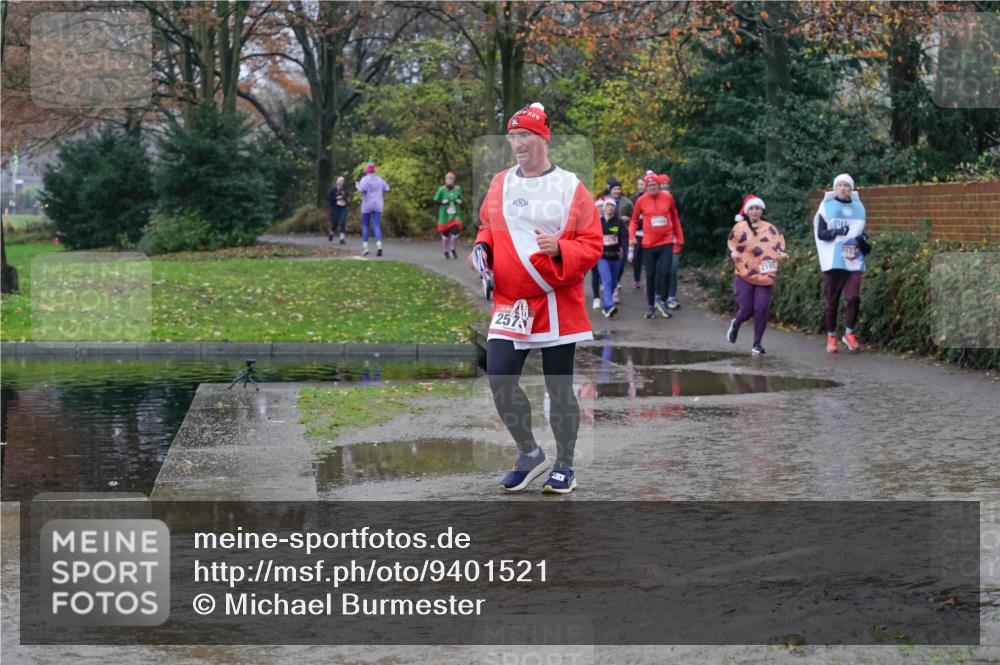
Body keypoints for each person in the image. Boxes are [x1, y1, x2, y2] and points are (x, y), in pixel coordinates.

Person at [466, 102, 602, 494]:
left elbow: (592, 243)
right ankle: (528, 452)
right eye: (512, 137)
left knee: (559, 387)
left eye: (524, 135)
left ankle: (565, 464)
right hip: (511, 302)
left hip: (557, 302)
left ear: (543, 138)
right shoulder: (500, 183)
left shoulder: (571, 187)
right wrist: (481, 249)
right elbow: (487, 227)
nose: (517, 144)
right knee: (499, 377)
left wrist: (561, 249)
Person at [813, 173, 870, 353]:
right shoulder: (826, 206)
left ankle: (849, 333)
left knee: (853, 297)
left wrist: (862, 240)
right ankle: (831, 336)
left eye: (847, 185)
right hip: (834, 259)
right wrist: (836, 231)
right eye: (840, 185)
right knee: (832, 300)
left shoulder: (859, 207)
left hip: (854, 259)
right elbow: (821, 233)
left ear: (851, 189)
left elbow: (862, 232)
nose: (844, 188)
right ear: (835, 188)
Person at [725, 195, 789, 355]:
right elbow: (731, 246)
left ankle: (757, 344)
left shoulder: (770, 228)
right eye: (752, 208)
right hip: (743, 273)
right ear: (747, 211)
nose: (755, 211)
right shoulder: (739, 227)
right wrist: (732, 255)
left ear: (762, 210)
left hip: (765, 274)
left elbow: (778, 248)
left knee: (761, 308)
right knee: (747, 309)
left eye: (757, 208)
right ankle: (736, 323)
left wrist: (783, 256)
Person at [628, 172, 683, 319]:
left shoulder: (668, 198)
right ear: (646, 187)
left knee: (666, 272)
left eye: (654, 185)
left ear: (658, 185)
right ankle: (651, 306)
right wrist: (631, 236)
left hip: (666, 241)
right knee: (651, 275)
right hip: (649, 244)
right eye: (649, 186)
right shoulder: (641, 200)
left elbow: (675, 218)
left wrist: (679, 239)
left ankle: (663, 301)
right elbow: (633, 220)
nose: (652, 187)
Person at [597, 198, 629, 318]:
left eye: (612, 205)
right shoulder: (598, 222)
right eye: (608, 205)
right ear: (604, 207)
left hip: (616, 257)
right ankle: (610, 304)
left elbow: (624, 237)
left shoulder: (618, 222)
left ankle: (606, 307)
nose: (610, 207)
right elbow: (592, 237)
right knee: (607, 280)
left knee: (613, 282)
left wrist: (624, 250)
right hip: (602, 257)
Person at [659, 174, 684, 309]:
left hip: (673, 240)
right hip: (657, 242)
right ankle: (658, 295)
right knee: (660, 270)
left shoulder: (676, 201)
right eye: (662, 185)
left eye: (667, 185)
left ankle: (671, 297)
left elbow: (682, 215)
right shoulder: (653, 203)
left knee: (673, 269)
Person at [355, 162, 390, 257]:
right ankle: (379, 246)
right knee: (376, 226)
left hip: (367, 205)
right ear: (374, 170)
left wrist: (357, 185)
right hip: (378, 205)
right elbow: (387, 188)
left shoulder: (364, 180)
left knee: (365, 226)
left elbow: (362, 190)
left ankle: (365, 248)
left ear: (367, 171)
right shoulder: (379, 179)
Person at [434, 171, 464, 259]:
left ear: (454, 180)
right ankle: (445, 251)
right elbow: (435, 201)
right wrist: (441, 202)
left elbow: (461, 199)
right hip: (444, 215)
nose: (449, 180)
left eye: (451, 179)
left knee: (455, 232)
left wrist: (460, 201)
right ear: (445, 180)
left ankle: (453, 248)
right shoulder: (441, 189)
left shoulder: (458, 188)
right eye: (448, 178)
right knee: (445, 235)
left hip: (455, 214)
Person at [629, 175, 648, 289]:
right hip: (637, 232)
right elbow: (632, 216)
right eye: (639, 184)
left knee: (648, 257)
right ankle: (637, 279)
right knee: (637, 257)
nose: (640, 186)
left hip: (649, 232)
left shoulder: (650, 197)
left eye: (642, 184)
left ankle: (648, 278)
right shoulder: (634, 198)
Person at [326, 176, 349, 244]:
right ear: (337, 182)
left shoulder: (345, 190)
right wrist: (336, 198)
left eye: (342, 181)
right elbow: (328, 198)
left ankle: (342, 238)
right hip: (335, 207)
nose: (341, 182)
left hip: (343, 208)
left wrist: (345, 199)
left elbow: (347, 197)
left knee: (342, 222)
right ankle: (331, 233)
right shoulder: (333, 190)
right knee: (335, 222)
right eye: (340, 181)